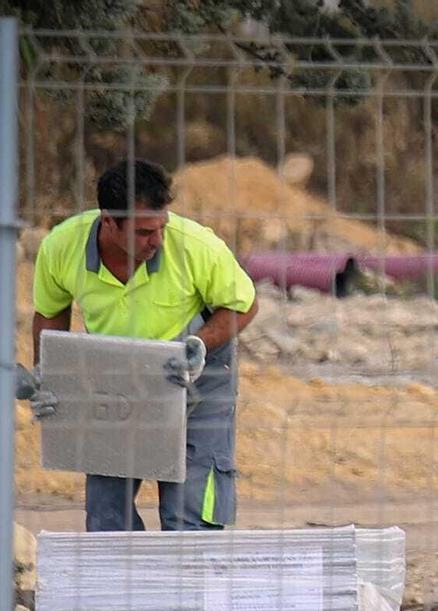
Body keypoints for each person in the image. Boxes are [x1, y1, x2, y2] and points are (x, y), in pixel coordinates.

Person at [20, 157, 259, 532]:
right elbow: (50, 312)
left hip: (195, 376)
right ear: (109, 221)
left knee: (189, 519)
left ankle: (186, 588)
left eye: (162, 227)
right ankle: (125, 589)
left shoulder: (196, 246)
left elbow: (244, 305)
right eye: (146, 232)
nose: (158, 240)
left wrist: (199, 344)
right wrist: (49, 375)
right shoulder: (62, 247)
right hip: (115, 382)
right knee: (106, 520)